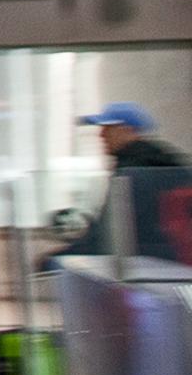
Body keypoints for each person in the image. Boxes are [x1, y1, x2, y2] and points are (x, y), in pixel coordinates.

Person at [61, 103, 192, 264]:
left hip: (145, 266)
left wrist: (59, 258)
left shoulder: (132, 171)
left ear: (127, 131)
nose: (101, 135)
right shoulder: (170, 164)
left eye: (107, 128)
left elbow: (109, 232)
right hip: (171, 263)